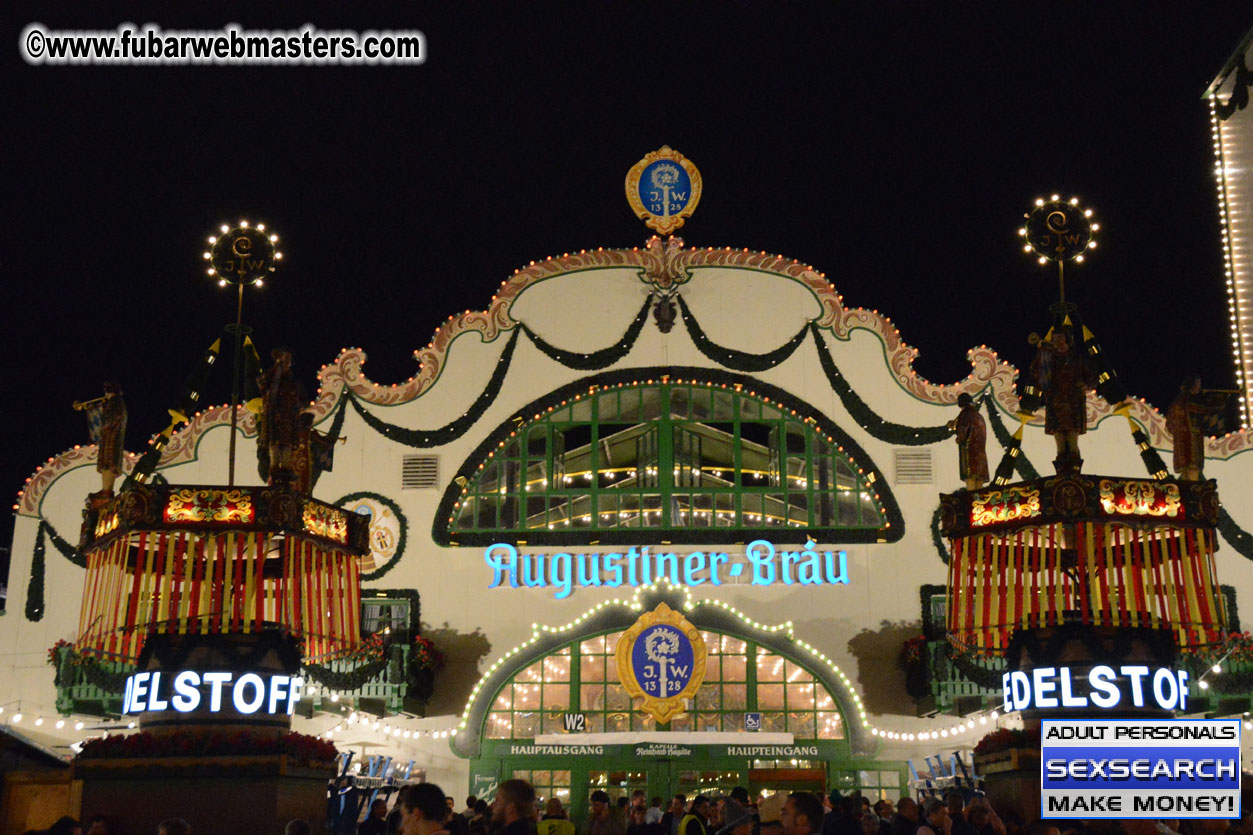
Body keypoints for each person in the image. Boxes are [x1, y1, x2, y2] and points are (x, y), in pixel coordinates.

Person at [1030, 329, 1097, 473]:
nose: (1058, 341)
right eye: (1055, 338)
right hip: (1055, 401)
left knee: (1072, 437)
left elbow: (1092, 376)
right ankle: (1061, 470)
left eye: (1060, 338)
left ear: (1067, 339)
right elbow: (1036, 371)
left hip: (1073, 401)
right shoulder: (1049, 357)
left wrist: (1086, 385)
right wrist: (1042, 352)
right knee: (1059, 435)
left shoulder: (1077, 358)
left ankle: (1074, 470)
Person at [257, 347, 307, 485]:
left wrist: (297, 406)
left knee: (287, 443)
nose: (287, 363)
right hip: (274, 417)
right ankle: (274, 466)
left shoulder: (293, 382)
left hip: (288, 418)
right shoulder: (271, 378)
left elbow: (302, 400)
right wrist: (277, 368)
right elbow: (263, 384)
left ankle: (286, 465)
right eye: (285, 359)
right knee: (274, 442)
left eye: (289, 360)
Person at [74, 382, 127, 495]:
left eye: (106, 391)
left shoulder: (115, 402)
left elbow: (114, 418)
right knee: (107, 463)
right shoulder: (114, 402)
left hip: (111, 438)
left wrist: (104, 425)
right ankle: (105, 489)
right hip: (110, 437)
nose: (105, 394)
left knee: (108, 463)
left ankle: (107, 490)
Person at [951, 393, 988, 490]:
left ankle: (971, 499)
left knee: (970, 477)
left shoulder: (965, 414)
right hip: (980, 452)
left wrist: (959, 439)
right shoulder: (978, 415)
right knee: (979, 480)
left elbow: (963, 429)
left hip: (969, 452)